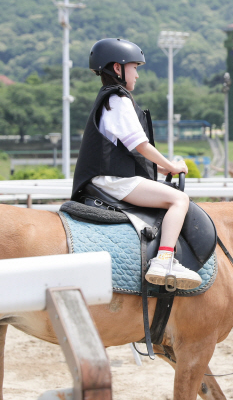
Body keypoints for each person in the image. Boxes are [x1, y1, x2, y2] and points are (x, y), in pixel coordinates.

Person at [72, 38, 201, 290]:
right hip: (113, 180)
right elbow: (140, 145)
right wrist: (172, 166)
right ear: (118, 68)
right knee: (179, 200)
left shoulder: (109, 98)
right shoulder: (119, 99)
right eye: (135, 67)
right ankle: (165, 259)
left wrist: (162, 169)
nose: (138, 75)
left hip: (107, 177)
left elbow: (130, 151)